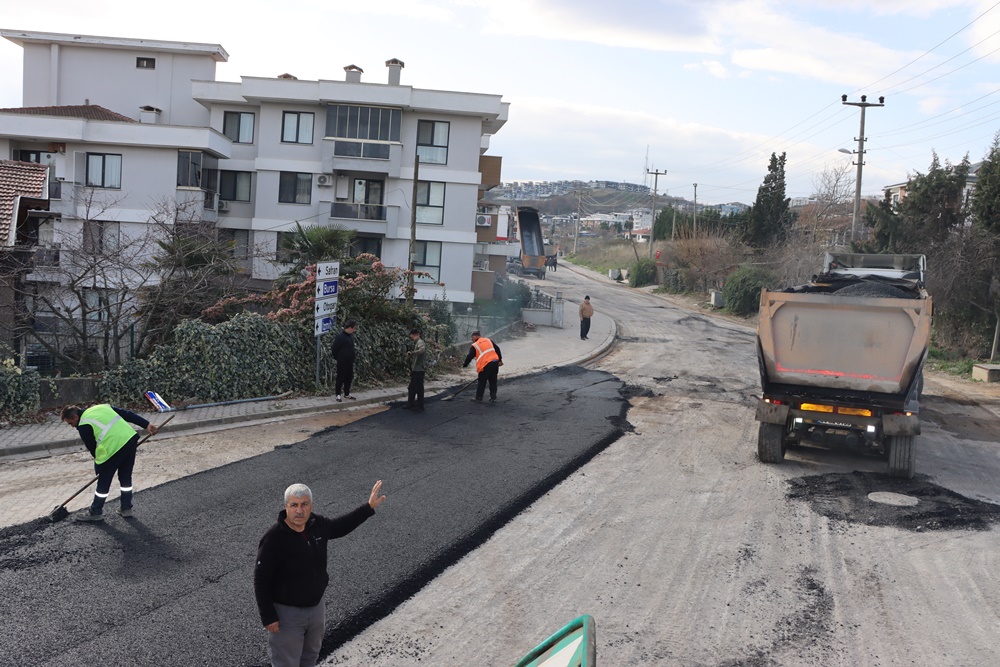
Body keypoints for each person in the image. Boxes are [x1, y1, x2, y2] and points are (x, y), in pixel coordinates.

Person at [254, 480, 386, 667]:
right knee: (286, 662)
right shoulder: (273, 538)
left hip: (316, 610)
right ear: (286, 507)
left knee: (310, 657)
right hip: (287, 615)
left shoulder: (318, 525)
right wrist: (268, 616)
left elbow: (341, 526)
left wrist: (368, 507)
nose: (299, 510)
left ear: (311, 506)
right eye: (294, 505)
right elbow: (261, 578)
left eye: (304, 504)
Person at [61, 404, 159, 521]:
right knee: (125, 476)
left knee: (104, 481)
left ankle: (95, 512)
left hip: (114, 448)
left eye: (70, 423)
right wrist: (146, 424)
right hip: (129, 440)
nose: (72, 426)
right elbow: (127, 414)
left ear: (75, 417)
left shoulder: (83, 424)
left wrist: (99, 469)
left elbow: (92, 448)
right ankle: (126, 508)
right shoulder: (101, 407)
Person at [462, 330, 503, 403]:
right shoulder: (488, 340)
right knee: (493, 380)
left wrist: (465, 364)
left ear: (475, 336)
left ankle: (479, 398)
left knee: (482, 381)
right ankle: (493, 397)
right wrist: (499, 360)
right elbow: (497, 349)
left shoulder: (475, 345)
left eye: (472, 337)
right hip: (494, 362)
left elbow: (469, 356)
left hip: (485, 365)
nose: (471, 339)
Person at [331, 320, 357, 402]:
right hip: (342, 362)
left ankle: (346, 393)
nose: (354, 330)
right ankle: (338, 394)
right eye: (354, 328)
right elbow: (334, 349)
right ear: (349, 328)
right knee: (340, 378)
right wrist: (338, 358)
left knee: (349, 378)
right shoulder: (340, 337)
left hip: (350, 361)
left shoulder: (350, 337)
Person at [405, 328, 426, 411]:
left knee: (418, 388)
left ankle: (419, 405)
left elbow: (422, 350)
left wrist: (412, 353)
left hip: (419, 370)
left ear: (413, 335)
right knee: (412, 387)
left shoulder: (420, 342)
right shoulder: (417, 342)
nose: (411, 338)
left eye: (411, 336)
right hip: (416, 369)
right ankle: (412, 403)